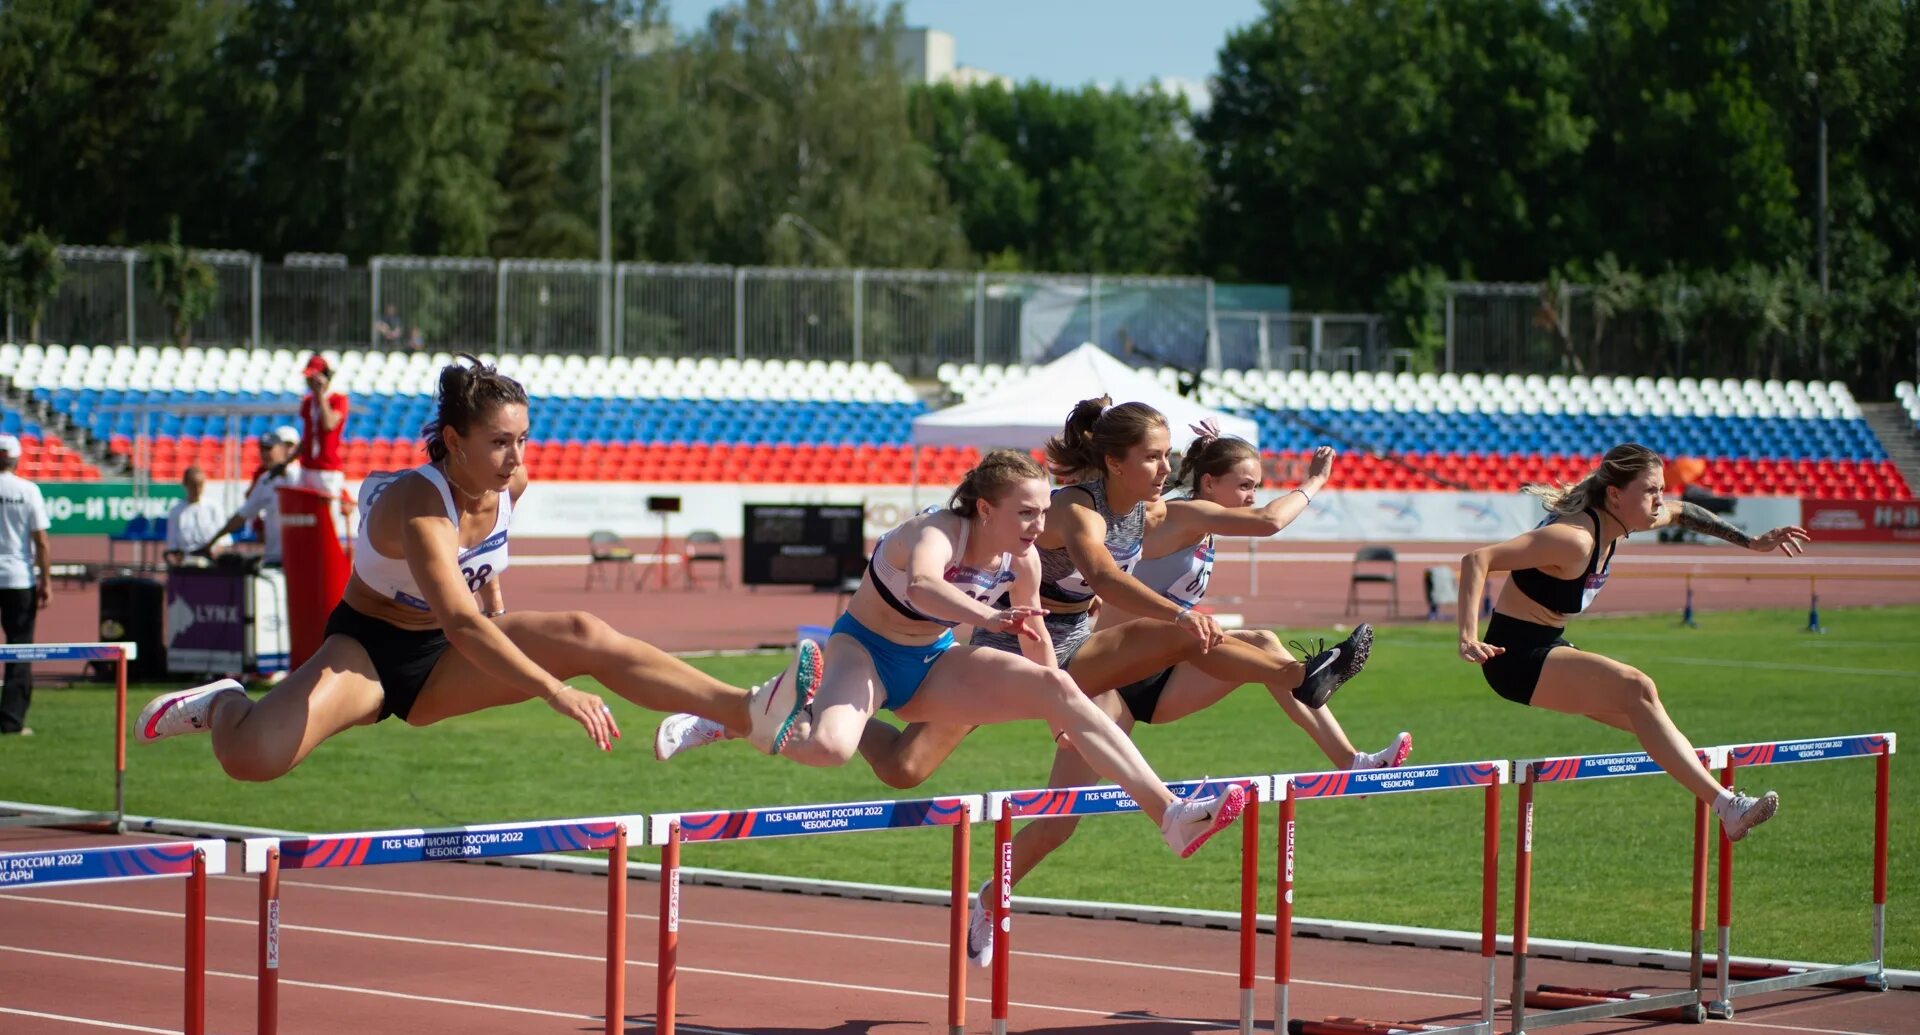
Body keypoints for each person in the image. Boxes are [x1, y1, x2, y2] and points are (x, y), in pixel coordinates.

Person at [134, 355, 811, 780]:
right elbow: (458, 618)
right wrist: (554, 690)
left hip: (447, 658)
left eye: (522, 440)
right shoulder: (416, 504)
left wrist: (508, 623)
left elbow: (482, 583)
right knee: (254, 761)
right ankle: (222, 704)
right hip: (372, 650)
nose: (516, 459)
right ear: (453, 442)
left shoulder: (508, 485)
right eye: (498, 443)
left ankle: (744, 712)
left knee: (581, 629)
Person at [960, 423, 1409, 964]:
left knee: (1258, 644)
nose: (1251, 497)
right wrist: (1314, 481)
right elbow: (1267, 521)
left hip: (1164, 673)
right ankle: (988, 898)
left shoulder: (1195, 521)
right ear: (1210, 482)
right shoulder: (1172, 514)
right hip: (1110, 681)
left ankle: (1349, 759)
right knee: (1059, 825)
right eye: (1243, 485)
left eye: (1256, 485)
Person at [665, 448, 1252, 859]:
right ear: (985, 508)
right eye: (1026, 513)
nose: (1038, 524)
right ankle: (739, 713)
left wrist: (1059, 703)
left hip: (934, 664)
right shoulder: (937, 531)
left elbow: (1035, 632)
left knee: (1066, 691)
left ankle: (1171, 815)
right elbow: (923, 585)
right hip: (863, 652)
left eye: (1043, 511)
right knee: (830, 749)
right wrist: (988, 616)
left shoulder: (1022, 559)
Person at [1456, 442, 1809, 841]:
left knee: (1650, 722)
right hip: (1513, 657)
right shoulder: (1575, 539)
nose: (1660, 500)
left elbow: (1684, 511)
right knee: (1638, 688)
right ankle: (1728, 807)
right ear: (1615, 494)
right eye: (1650, 491)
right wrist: (1468, 636)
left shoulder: (1620, 521)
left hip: (1547, 647)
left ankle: (1722, 801)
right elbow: (1477, 560)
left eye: (1660, 489)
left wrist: (1752, 542)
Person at [0, 433, 51, 736]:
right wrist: (46, 580)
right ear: (17, 459)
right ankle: (11, 720)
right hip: (18, 578)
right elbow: (41, 542)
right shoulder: (28, 491)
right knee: (20, 649)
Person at [198, 425, 302, 564]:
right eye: (262, 449)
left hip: (300, 560)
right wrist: (211, 542)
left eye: (269, 448)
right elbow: (243, 514)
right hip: (275, 557)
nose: (265, 454)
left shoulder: (302, 477)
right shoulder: (265, 480)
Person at [295, 353, 350, 524]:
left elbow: (328, 424)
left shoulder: (338, 399)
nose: (310, 382)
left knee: (328, 518)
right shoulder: (307, 402)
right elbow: (307, 437)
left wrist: (320, 395)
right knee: (306, 517)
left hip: (328, 469)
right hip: (308, 467)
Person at [163, 465, 229, 566]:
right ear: (185, 484)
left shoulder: (215, 507)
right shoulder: (176, 510)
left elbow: (224, 541)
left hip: (212, 561)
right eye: (193, 485)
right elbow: (173, 544)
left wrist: (215, 556)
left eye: (200, 485)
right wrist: (182, 560)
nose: (197, 490)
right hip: (187, 561)